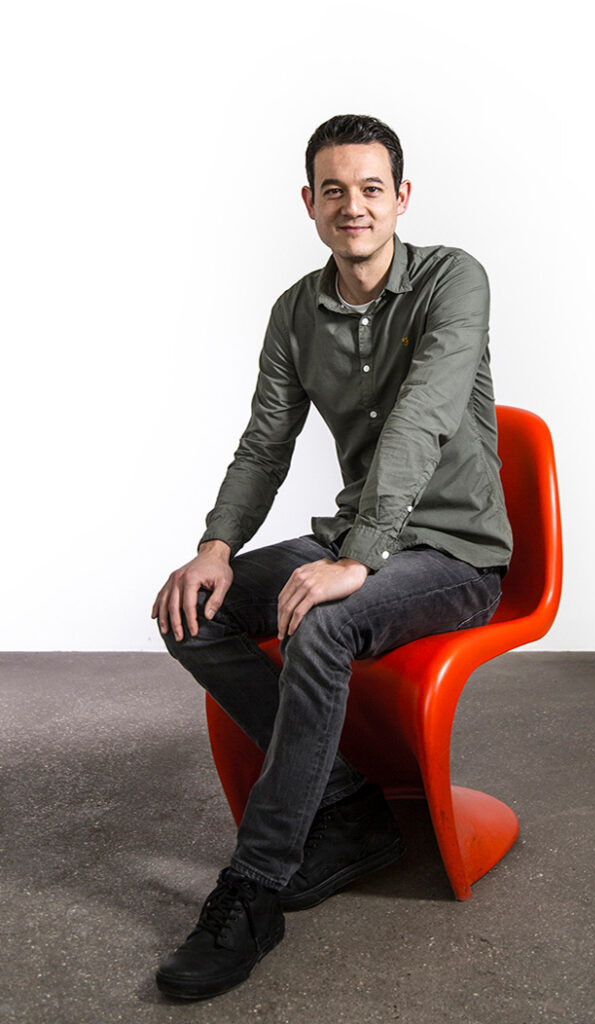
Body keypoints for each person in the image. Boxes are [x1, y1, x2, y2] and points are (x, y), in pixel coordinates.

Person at [151, 113, 513, 1001]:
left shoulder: (453, 280)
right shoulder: (294, 312)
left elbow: (425, 415)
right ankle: (346, 807)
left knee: (322, 621)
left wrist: (361, 556)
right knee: (192, 612)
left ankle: (256, 885)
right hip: (358, 538)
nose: (355, 206)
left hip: (455, 552)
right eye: (335, 190)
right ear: (310, 203)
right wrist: (215, 547)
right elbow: (264, 444)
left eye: (372, 188)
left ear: (402, 198)